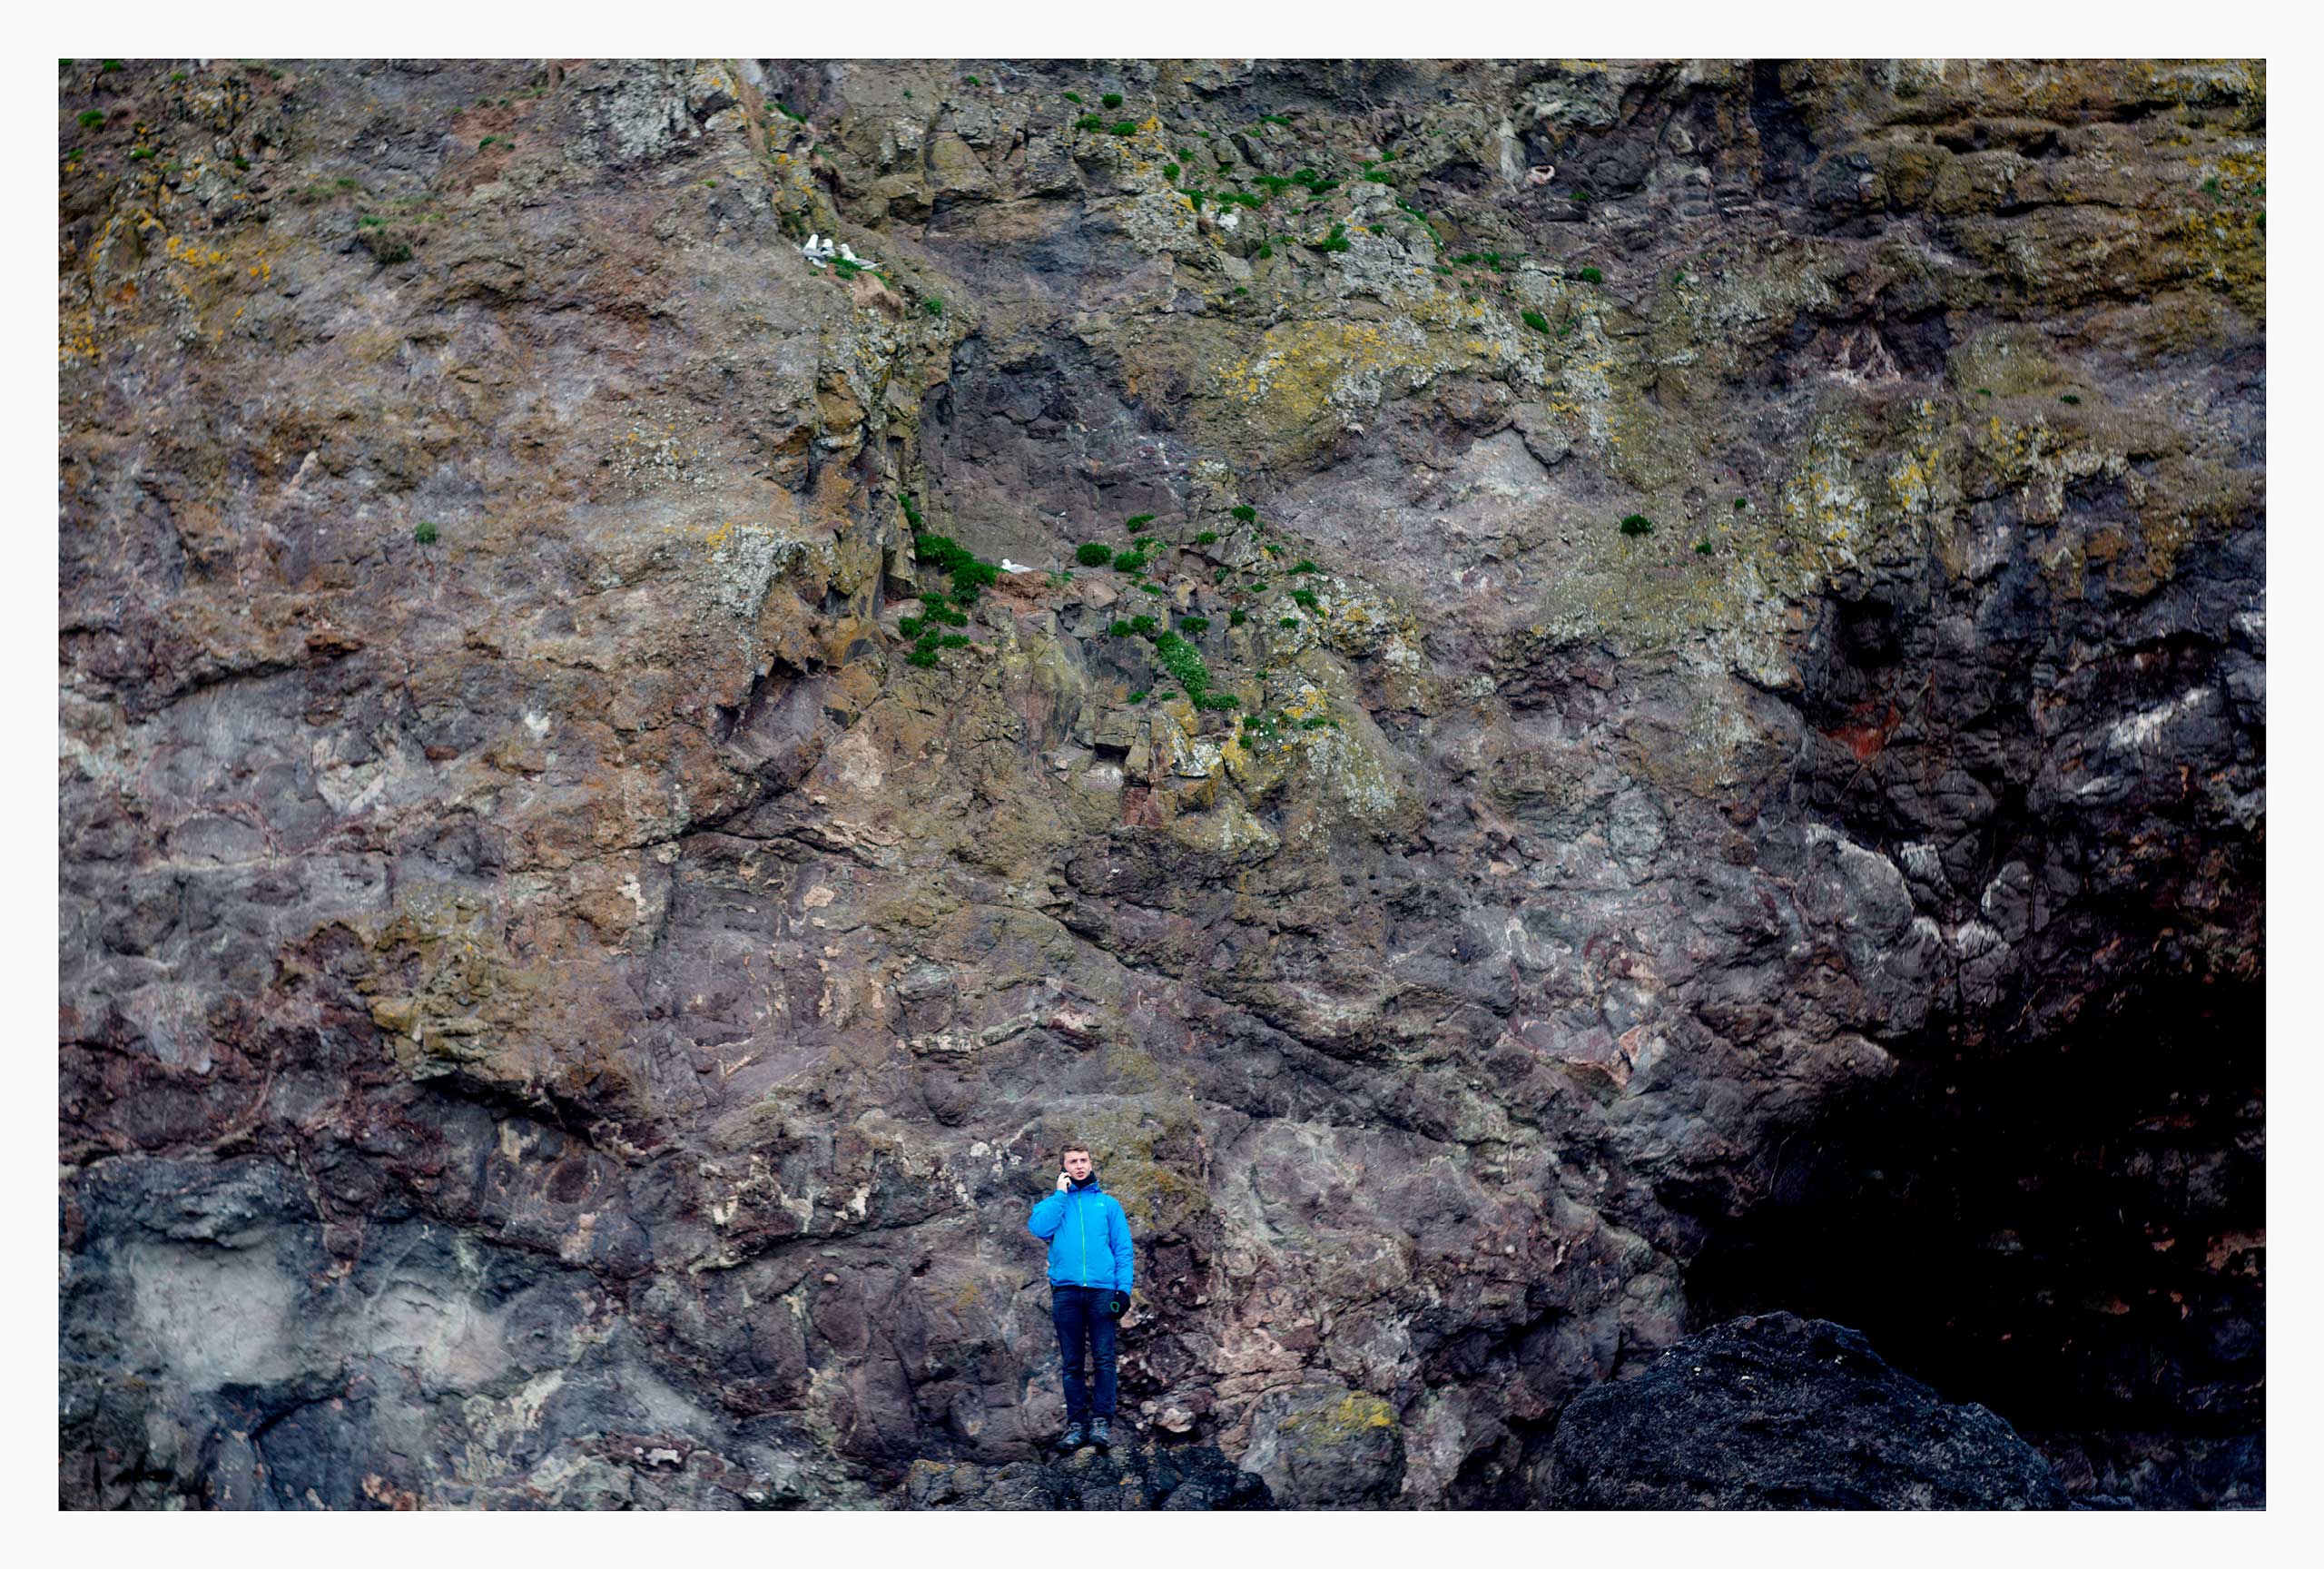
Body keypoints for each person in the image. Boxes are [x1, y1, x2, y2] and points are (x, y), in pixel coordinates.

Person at [1026, 1142, 1135, 1453]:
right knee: (1072, 1363)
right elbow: (1038, 1229)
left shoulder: (1108, 1205)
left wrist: (1123, 1291)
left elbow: (1123, 1250)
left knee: (1104, 1360)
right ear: (1063, 1168)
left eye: (1083, 1160)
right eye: (1072, 1161)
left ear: (1091, 1163)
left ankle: (1101, 1423)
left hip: (1102, 1291)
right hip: (1067, 1292)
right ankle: (1076, 1426)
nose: (1079, 1166)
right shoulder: (1054, 1205)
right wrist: (1060, 1195)